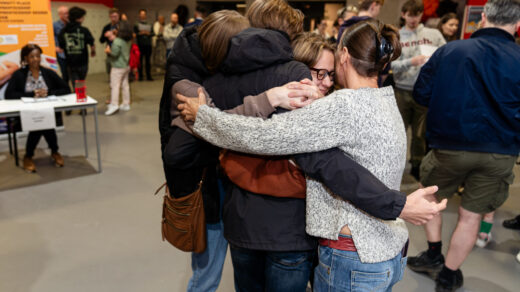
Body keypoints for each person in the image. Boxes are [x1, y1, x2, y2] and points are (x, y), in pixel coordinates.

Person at [178, 18, 447, 292]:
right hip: (386, 252)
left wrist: (204, 117)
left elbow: (263, 136)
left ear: (344, 54)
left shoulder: (341, 106)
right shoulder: (384, 100)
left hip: (352, 256)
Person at [409, 0, 520, 291]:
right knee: (471, 216)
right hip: (500, 150)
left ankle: (433, 254)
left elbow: (421, 94)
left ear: (483, 17)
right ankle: (449, 273)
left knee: (432, 200)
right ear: (517, 25)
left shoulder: (451, 50)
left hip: (449, 145)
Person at [391, 0, 445, 180]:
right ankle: (394, 164)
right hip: (401, 89)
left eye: (417, 14)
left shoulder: (433, 34)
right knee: (399, 130)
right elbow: (389, 64)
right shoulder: (396, 35)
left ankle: (416, 165)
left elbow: (445, 55)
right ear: (403, 14)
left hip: (425, 91)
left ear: (421, 15)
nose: (413, 19)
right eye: (409, 15)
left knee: (420, 133)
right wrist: (410, 62)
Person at [5, 44, 70, 172]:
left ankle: (29, 156)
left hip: (47, 110)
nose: (35, 59)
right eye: (32, 56)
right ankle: (54, 151)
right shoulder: (19, 74)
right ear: (26, 58)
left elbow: (66, 89)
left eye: (38, 56)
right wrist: (31, 94)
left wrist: (49, 93)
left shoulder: (47, 72)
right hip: (26, 113)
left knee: (42, 122)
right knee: (43, 123)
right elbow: (9, 94)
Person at [58, 6, 95, 92]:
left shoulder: (64, 31)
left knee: (76, 83)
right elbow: (92, 44)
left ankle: (79, 98)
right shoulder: (84, 30)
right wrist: (93, 51)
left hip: (70, 63)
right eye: (82, 17)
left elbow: (61, 47)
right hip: (82, 62)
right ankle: (81, 101)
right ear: (79, 18)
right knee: (81, 83)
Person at [105, 21, 133, 116]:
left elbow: (114, 54)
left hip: (117, 67)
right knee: (125, 85)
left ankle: (114, 105)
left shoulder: (117, 41)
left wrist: (108, 51)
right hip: (126, 66)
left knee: (115, 86)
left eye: (117, 27)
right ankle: (126, 103)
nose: (115, 29)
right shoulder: (128, 40)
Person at [134, 9, 154, 81]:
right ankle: (141, 76)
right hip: (140, 45)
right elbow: (134, 34)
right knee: (140, 61)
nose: (142, 15)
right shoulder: (136, 24)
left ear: (146, 15)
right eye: (141, 14)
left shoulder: (150, 24)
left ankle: (148, 76)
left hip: (148, 45)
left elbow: (153, 33)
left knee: (148, 61)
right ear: (139, 15)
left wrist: (149, 34)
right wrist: (140, 33)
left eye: (144, 14)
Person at [100, 8, 120, 78]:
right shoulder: (107, 27)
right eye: (112, 17)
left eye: (115, 17)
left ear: (118, 16)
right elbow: (101, 40)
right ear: (109, 17)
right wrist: (106, 35)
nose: (114, 19)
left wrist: (117, 33)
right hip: (110, 51)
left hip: (120, 51)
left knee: (119, 70)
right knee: (110, 70)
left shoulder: (122, 26)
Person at [53, 6, 69, 86]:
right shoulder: (55, 25)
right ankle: (65, 90)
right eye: (65, 13)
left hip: (71, 53)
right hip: (61, 54)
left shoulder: (71, 24)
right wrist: (54, 47)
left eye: (68, 13)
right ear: (60, 15)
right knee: (65, 74)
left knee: (72, 74)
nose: (68, 15)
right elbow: (50, 37)